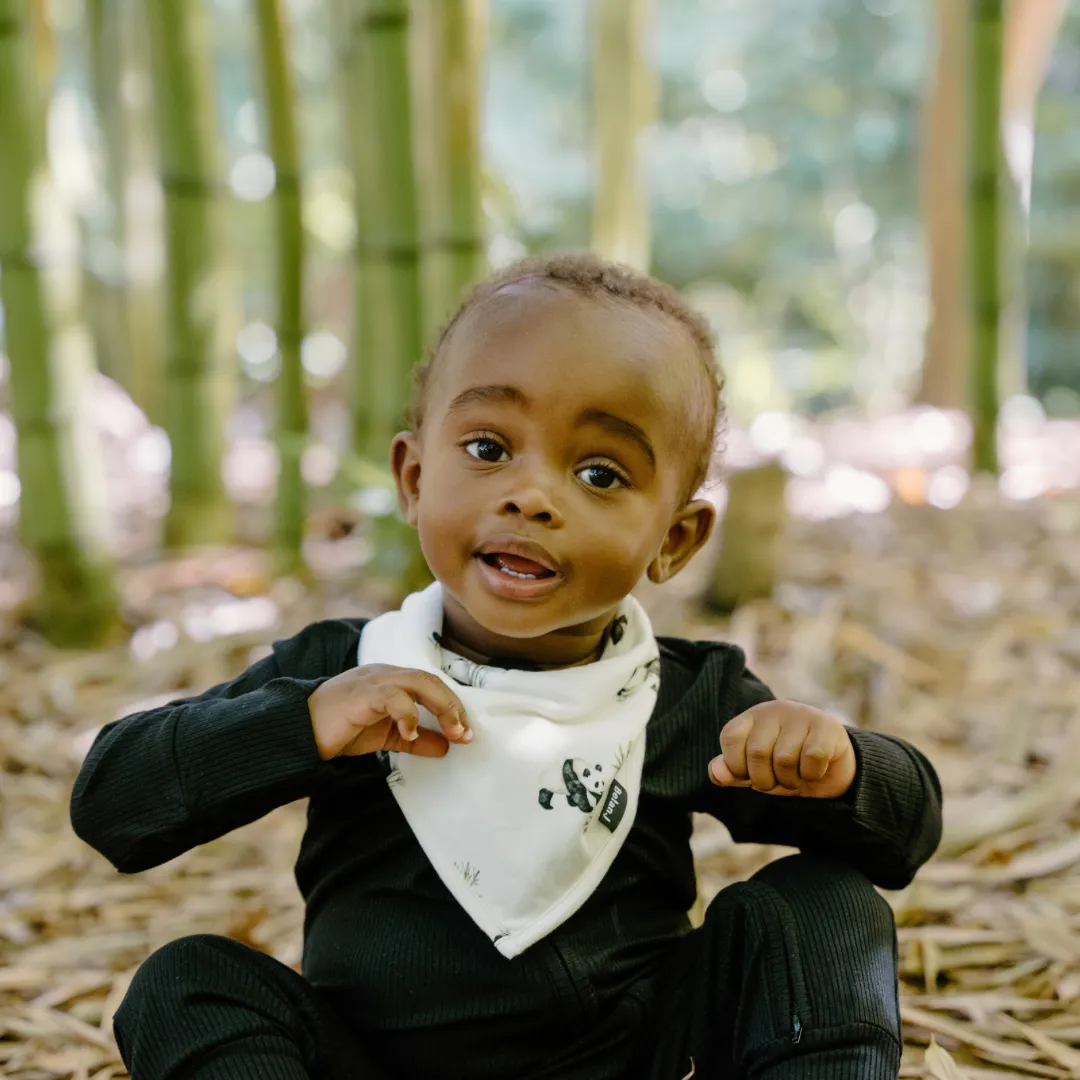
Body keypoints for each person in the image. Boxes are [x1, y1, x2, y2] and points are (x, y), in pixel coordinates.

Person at [70, 252, 941, 1080]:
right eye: (488, 449)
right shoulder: (350, 670)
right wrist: (298, 725)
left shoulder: (678, 698)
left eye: (600, 473)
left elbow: (905, 837)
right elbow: (115, 802)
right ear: (412, 478)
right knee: (187, 984)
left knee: (825, 905)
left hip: (638, 1060)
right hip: (368, 1066)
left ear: (674, 540)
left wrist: (841, 767)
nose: (532, 496)